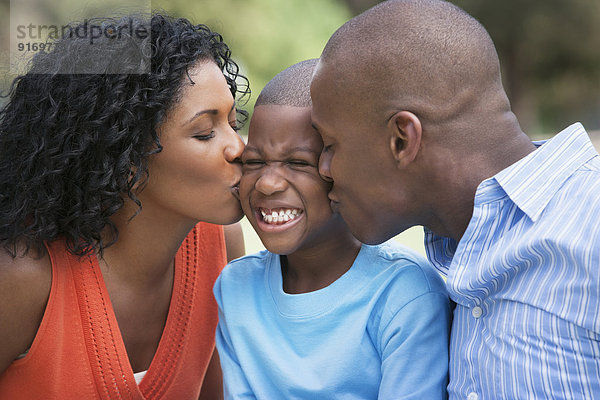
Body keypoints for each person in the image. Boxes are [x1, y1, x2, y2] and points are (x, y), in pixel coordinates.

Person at [310, 0, 600, 398]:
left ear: (401, 140)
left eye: (329, 144)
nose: (323, 168)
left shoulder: (591, 226)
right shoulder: (443, 258)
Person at [0, 13, 249, 399]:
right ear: (123, 157)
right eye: (205, 132)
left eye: (234, 123)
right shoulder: (24, 274)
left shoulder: (221, 244)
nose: (239, 149)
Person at [214, 58, 450, 399]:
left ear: (343, 169)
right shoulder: (235, 287)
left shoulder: (404, 292)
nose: (266, 184)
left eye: (298, 163)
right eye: (253, 162)